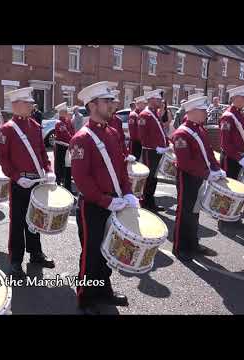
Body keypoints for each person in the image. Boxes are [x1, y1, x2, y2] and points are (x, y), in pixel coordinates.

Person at [70, 81, 139, 315]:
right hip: (93, 206)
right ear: (92, 105)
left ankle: (104, 290)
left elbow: (120, 169)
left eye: (112, 101)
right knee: (91, 253)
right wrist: (105, 200)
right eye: (107, 101)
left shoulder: (111, 132)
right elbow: (82, 179)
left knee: (108, 250)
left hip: (115, 202)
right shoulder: (81, 138)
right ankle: (86, 298)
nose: (112, 105)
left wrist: (128, 192)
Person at [0, 87, 56, 279]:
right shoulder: (7, 129)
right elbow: (3, 159)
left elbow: (41, 153)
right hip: (20, 182)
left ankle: (36, 253)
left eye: (31, 103)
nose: (32, 105)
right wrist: (16, 177)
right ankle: (15, 261)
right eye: (27, 102)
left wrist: (48, 170)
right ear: (16, 105)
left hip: (37, 181)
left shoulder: (35, 126)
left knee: (35, 220)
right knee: (18, 223)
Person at [172, 96, 225, 262]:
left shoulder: (200, 129)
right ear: (192, 111)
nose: (205, 113)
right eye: (203, 110)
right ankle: (180, 247)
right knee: (184, 212)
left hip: (199, 176)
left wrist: (217, 169)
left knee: (194, 211)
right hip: (187, 177)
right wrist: (207, 173)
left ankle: (193, 243)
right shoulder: (182, 133)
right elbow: (185, 162)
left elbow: (208, 153)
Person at [219, 84, 244, 232]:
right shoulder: (228, 117)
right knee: (230, 190)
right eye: (243, 98)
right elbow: (225, 143)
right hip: (230, 158)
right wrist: (238, 157)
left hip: (241, 158)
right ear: (235, 98)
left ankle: (234, 216)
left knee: (239, 190)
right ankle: (224, 219)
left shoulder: (241, 115)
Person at [138, 89, 171, 212]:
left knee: (154, 177)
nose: (160, 101)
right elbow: (143, 136)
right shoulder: (144, 115)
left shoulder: (154, 113)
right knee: (149, 178)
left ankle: (150, 202)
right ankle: (145, 202)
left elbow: (160, 132)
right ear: (151, 99)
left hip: (157, 151)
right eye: (158, 99)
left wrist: (167, 143)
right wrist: (155, 146)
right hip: (150, 151)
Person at [53, 102, 75, 192]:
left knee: (67, 165)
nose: (67, 113)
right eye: (65, 111)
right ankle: (59, 181)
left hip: (66, 146)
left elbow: (71, 131)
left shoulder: (66, 121)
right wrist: (73, 140)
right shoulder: (59, 123)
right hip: (61, 146)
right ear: (61, 112)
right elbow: (65, 135)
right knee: (60, 164)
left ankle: (65, 182)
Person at [127, 96, 147, 161]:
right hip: (135, 142)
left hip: (141, 142)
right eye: (143, 103)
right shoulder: (133, 115)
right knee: (134, 160)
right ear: (138, 104)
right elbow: (132, 130)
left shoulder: (141, 114)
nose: (145, 105)